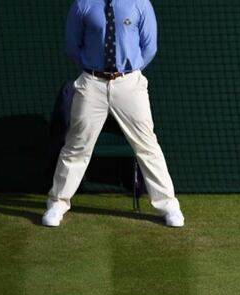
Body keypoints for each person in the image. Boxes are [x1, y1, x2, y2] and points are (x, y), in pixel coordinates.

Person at [42, 0, 184, 227]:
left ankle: (168, 206)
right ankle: (57, 203)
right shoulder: (83, 4)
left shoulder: (140, 3)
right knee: (77, 145)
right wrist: (95, 72)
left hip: (129, 83)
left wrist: (127, 73)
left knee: (147, 145)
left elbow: (150, 47)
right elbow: (72, 46)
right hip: (91, 84)